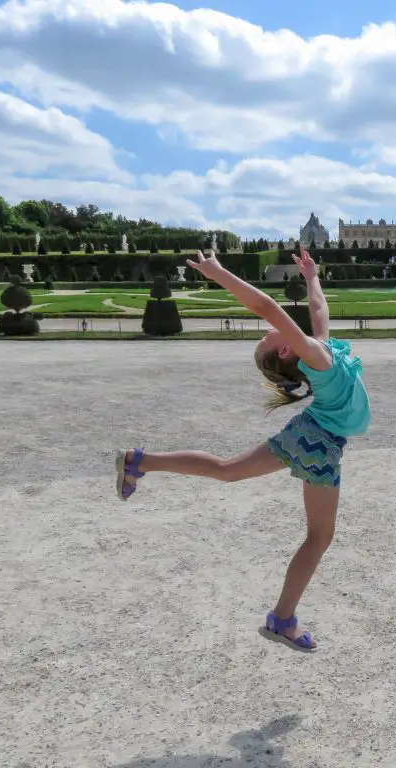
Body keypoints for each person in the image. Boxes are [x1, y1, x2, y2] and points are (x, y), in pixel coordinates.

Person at [114, 246, 371, 653]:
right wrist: (219, 274)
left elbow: (319, 311)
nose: (270, 330)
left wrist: (311, 276)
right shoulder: (315, 355)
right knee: (319, 537)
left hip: (307, 432)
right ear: (286, 350)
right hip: (319, 444)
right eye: (272, 337)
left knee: (228, 469)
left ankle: (140, 461)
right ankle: (282, 618)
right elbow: (265, 305)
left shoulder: (320, 349)